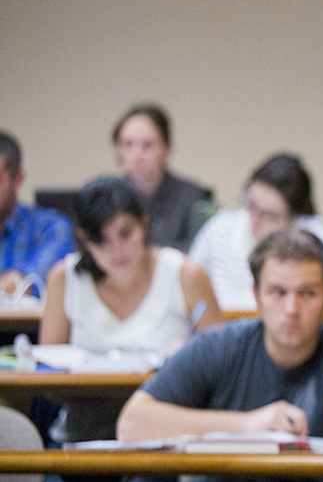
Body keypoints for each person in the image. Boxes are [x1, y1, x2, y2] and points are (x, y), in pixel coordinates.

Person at [116, 226, 323, 448]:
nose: (291, 309)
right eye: (278, 292)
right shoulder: (219, 347)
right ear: (256, 296)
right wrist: (250, 425)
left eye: (307, 293)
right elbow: (132, 424)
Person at [38, 176, 224, 444]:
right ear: (83, 239)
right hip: (83, 432)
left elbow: (221, 364)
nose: (116, 250)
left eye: (126, 234)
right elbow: (48, 378)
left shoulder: (185, 274)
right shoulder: (64, 278)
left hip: (170, 429)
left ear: (144, 223)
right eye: (100, 240)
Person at [189, 153, 323, 310]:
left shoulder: (314, 239)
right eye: (251, 205)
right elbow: (187, 285)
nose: (253, 220)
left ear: (294, 219)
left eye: (267, 215)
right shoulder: (221, 227)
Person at [112, 103, 214, 251]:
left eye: (147, 145)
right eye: (128, 144)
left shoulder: (193, 198)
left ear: (167, 149)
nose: (137, 155)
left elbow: (199, 254)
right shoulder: (107, 199)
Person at [0, 131, 75, 298]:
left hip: (29, 324)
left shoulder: (51, 226)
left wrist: (15, 283)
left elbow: (28, 285)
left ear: (18, 179)